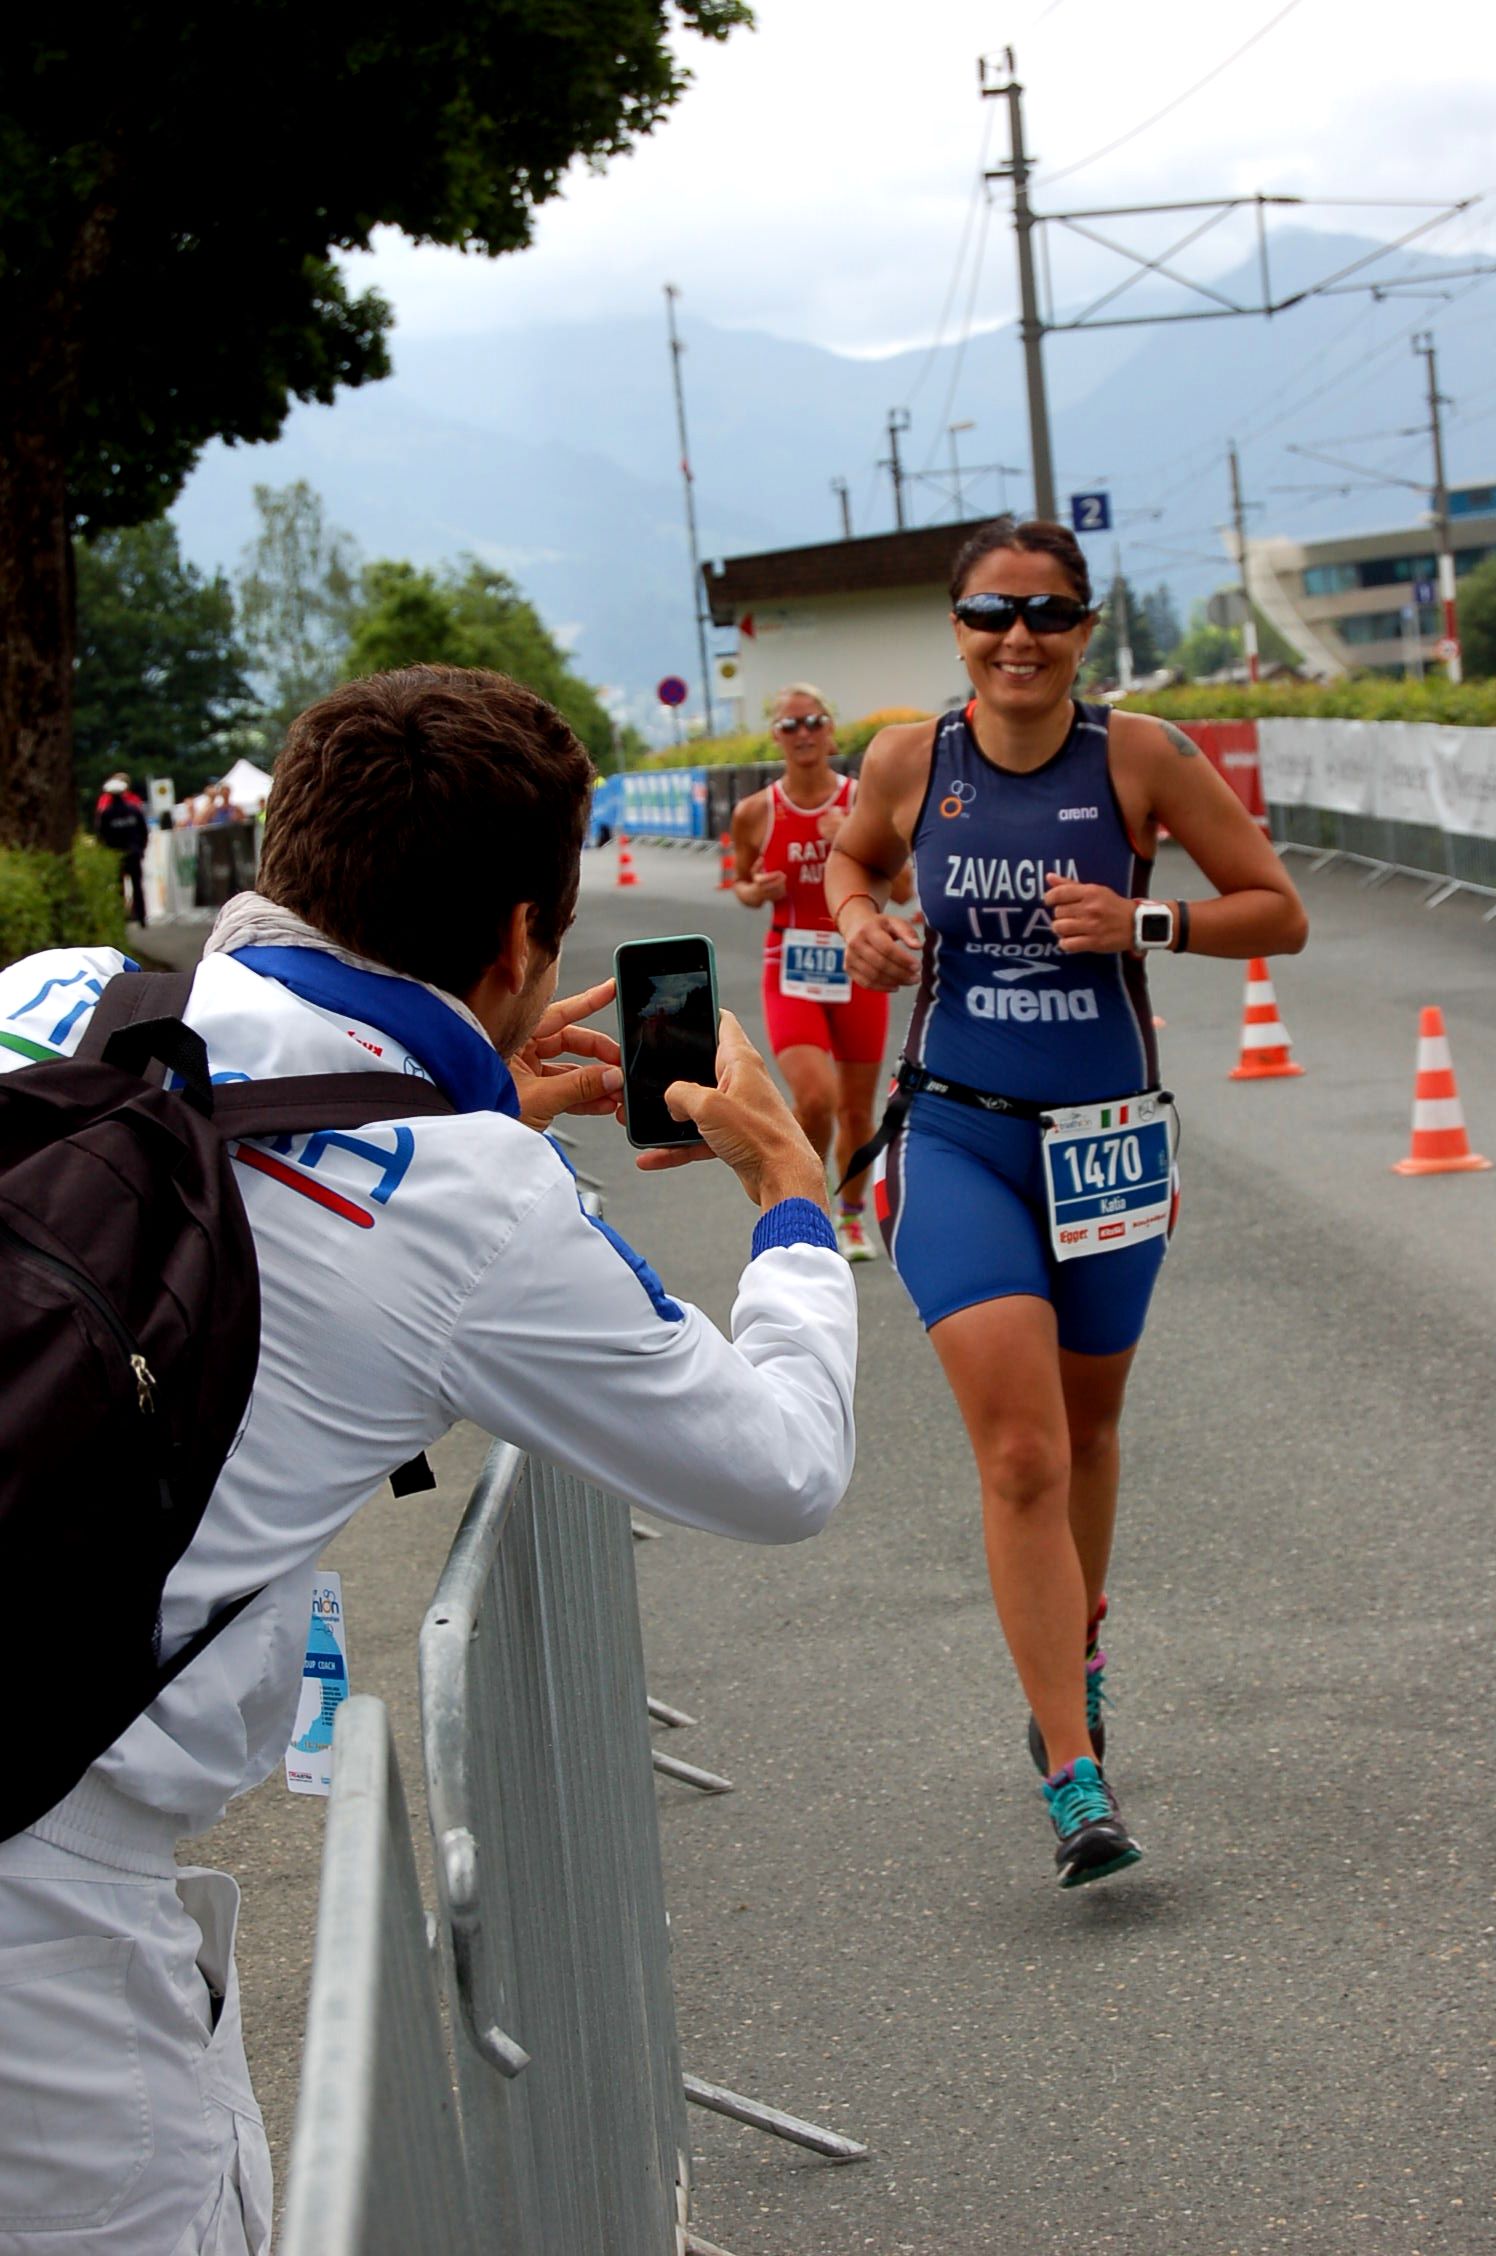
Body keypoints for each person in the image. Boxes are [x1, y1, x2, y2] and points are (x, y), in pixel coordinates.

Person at [0, 665, 857, 2253]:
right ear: (525, 942)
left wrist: (449, 1117)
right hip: (41, 1892)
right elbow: (785, 1465)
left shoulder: (62, 990)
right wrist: (794, 1204)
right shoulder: (472, 1201)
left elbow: (268, 1162)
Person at [825, 518, 1307, 1889]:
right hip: (960, 1136)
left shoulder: (1138, 756)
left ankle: (1075, 1647)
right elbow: (853, 863)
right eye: (990, 615)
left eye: (1047, 614)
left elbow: (1277, 911)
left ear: (1087, 629)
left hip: (1108, 1150)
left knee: (1090, 1429)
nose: (1017, 639)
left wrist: (1150, 925)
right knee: (1024, 1450)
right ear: (958, 629)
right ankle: (1070, 1769)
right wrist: (862, 921)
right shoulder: (916, 758)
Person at [731, 683, 912, 1262]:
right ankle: (801, 1209)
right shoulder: (756, 812)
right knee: (814, 1095)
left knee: (857, 1110)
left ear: (832, 730)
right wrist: (754, 889)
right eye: (790, 725)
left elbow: (904, 889)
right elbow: (741, 884)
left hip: (857, 964)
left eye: (814, 721)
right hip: (791, 968)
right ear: (776, 738)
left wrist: (849, 843)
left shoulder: (865, 801)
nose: (803, 733)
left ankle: (852, 1217)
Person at [95, 772, 150, 926]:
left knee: (119, 888)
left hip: (116, 855)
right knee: (137, 886)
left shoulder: (106, 814)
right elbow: (144, 831)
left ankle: (121, 918)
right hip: (134, 853)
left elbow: (101, 835)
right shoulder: (133, 810)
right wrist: (141, 848)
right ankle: (141, 917)